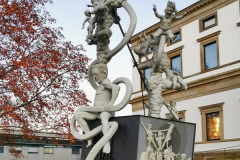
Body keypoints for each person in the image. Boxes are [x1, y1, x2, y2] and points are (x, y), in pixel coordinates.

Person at [74, 63, 120, 153]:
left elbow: (116, 87)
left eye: (96, 74)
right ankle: (89, 136)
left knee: (104, 118)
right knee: (77, 115)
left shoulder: (105, 82)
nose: (94, 77)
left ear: (104, 73)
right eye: (93, 75)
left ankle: (106, 143)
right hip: (96, 112)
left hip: (105, 110)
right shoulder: (101, 85)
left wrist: (111, 103)